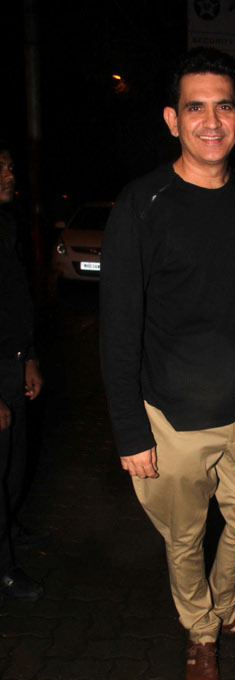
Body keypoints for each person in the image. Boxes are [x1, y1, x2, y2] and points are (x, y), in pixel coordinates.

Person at [100, 48, 235, 680]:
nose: (212, 120)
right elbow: (118, 327)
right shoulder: (142, 202)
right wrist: (130, 430)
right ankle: (201, 632)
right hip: (170, 416)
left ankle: (225, 605)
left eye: (223, 106)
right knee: (184, 538)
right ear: (173, 119)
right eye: (196, 107)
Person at [0, 143, 44, 601]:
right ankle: (3, 567)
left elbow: (15, 301)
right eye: (1, 168)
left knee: (14, 468)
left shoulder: (6, 223)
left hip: (12, 364)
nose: (10, 175)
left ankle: (8, 530)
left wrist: (29, 356)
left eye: (10, 166)